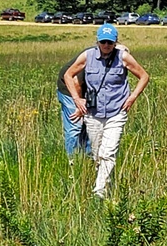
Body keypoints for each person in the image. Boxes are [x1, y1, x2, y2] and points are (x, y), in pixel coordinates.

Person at [64, 24, 150, 198]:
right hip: (93, 113)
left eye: (110, 43)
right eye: (103, 42)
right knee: (97, 153)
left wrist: (132, 97)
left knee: (108, 153)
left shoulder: (123, 57)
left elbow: (144, 76)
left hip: (116, 112)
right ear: (97, 41)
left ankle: (99, 192)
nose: (106, 46)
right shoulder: (87, 56)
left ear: (115, 43)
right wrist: (76, 98)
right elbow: (68, 74)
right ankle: (104, 182)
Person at [57, 52, 92, 161]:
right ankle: (72, 162)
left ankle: (87, 161)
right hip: (70, 91)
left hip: (88, 94)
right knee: (75, 126)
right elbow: (75, 82)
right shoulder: (92, 57)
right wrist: (80, 105)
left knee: (90, 126)